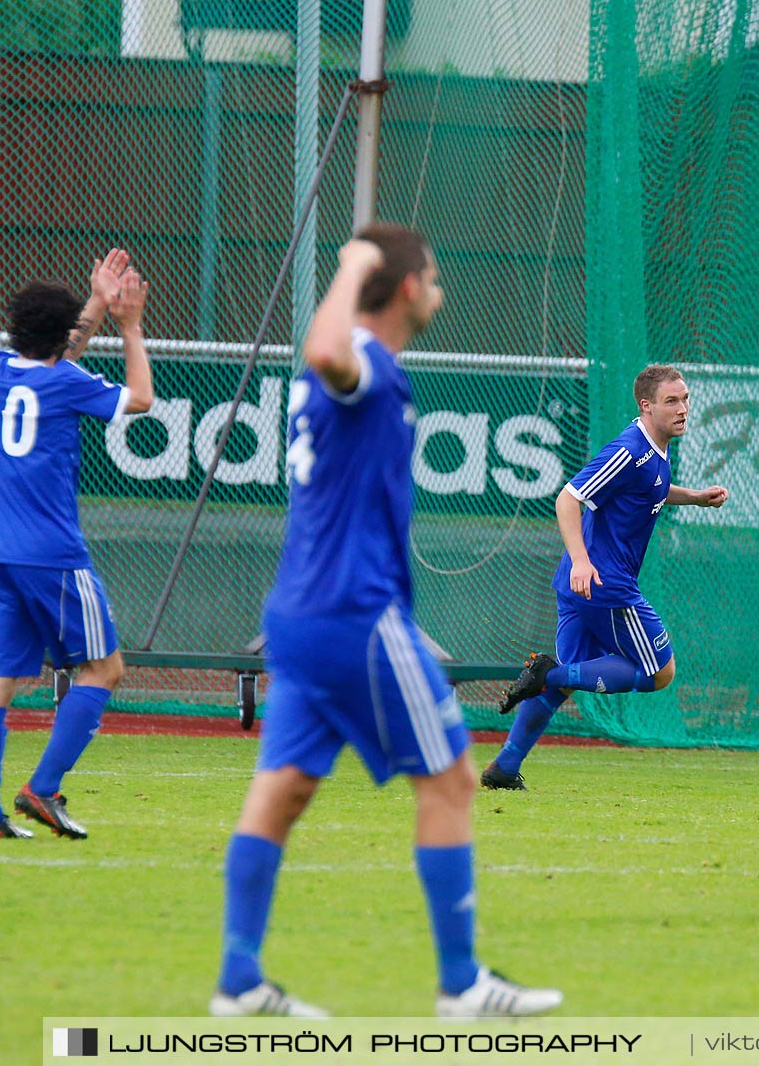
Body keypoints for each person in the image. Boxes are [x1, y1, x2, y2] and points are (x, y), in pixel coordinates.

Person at [212, 225, 562, 1019]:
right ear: (407, 289)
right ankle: (462, 983)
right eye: (432, 277)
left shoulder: (373, 369)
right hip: (355, 615)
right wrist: (355, 263)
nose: (438, 290)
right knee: (450, 779)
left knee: (284, 789)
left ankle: (239, 979)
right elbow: (325, 350)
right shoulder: (361, 358)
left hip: (300, 615)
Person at [0, 250, 153, 839]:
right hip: (50, 557)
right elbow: (141, 399)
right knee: (105, 669)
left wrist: (95, 301)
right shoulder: (66, 383)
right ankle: (42, 789)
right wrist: (128, 324)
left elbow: (57, 355)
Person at [482, 366, 729, 789]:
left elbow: (648, 487)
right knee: (659, 673)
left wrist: (693, 498)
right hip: (604, 586)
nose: (683, 408)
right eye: (672, 401)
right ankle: (547, 673)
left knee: (562, 685)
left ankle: (504, 768)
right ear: (646, 405)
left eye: (685, 398)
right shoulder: (630, 449)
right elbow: (567, 498)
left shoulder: (654, 450)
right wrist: (581, 559)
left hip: (580, 586)